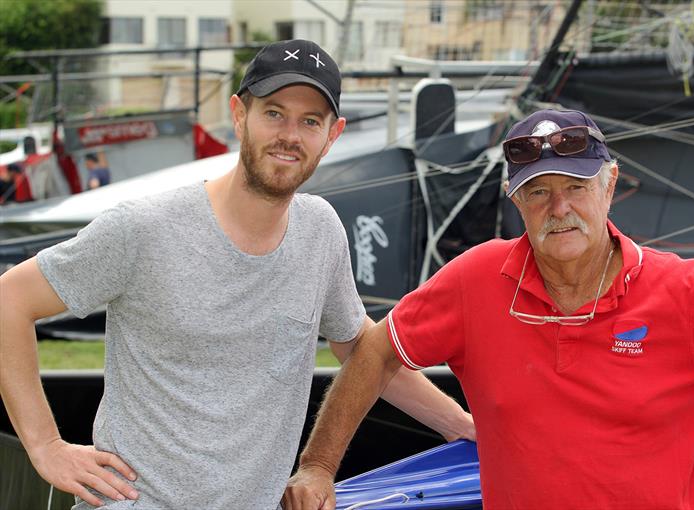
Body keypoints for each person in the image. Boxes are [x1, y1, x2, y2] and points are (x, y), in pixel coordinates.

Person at [0, 39, 473, 510]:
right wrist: (46, 446)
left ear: (332, 135)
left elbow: (361, 348)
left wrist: (462, 426)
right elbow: (9, 301)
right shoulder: (145, 228)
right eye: (274, 112)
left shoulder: (321, 231)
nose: (290, 134)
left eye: (310, 121)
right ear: (239, 114)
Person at [284, 108, 694, 510]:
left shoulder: (685, 291)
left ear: (610, 185)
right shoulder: (476, 280)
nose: (560, 208)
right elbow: (376, 351)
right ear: (516, 201)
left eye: (577, 187)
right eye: (539, 192)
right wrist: (318, 466)